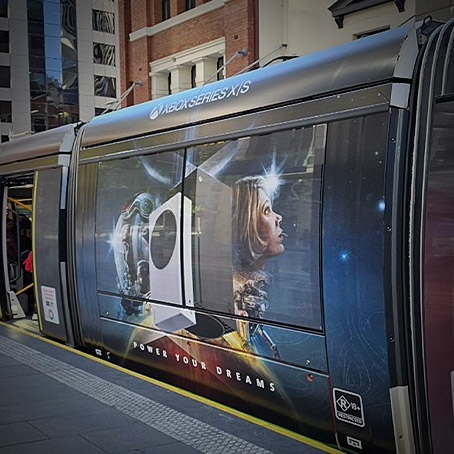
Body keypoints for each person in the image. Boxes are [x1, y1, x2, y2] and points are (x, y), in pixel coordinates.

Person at [231, 175, 285, 354]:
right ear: (248, 224)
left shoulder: (263, 281)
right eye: (267, 210)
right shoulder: (240, 290)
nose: (279, 218)